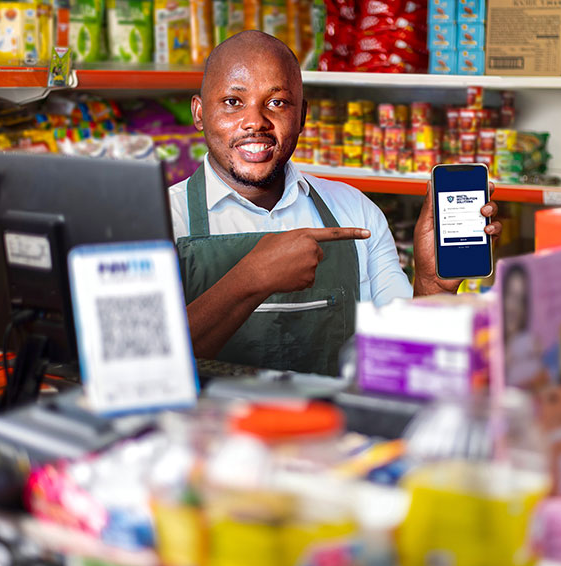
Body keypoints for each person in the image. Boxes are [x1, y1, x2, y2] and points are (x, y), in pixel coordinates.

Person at [170, 30, 502, 375]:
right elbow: (142, 366)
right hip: (206, 429)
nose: (255, 121)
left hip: (337, 427)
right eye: (233, 102)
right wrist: (252, 277)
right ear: (198, 113)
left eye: (277, 103)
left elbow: (405, 360)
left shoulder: (355, 211)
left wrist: (433, 284)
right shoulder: (163, 218)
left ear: (302, 117)